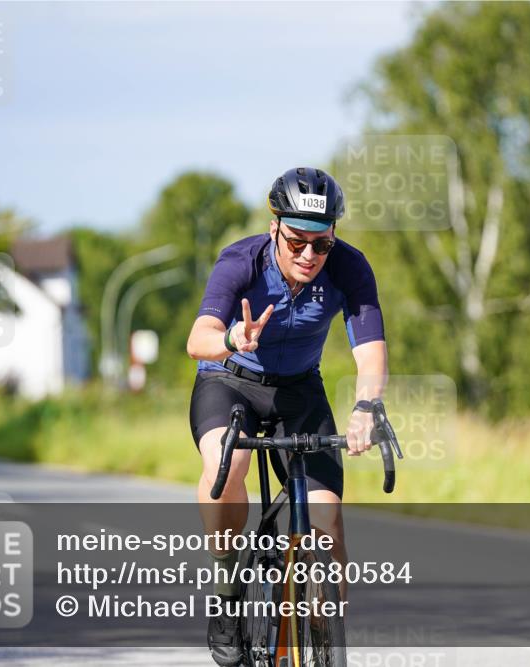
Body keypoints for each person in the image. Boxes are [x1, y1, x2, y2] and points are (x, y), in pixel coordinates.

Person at [186, 167, 387, 666]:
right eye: (297, 241)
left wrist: (365, 407)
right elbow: (198, 339)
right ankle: (229, 588)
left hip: (298, 390)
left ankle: (325, 641)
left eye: (321, 245)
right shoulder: (241, 260)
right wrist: (234, 338)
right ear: (275, 225)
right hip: (228, 379)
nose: (309, 256)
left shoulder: (349, 268)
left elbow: (371, 350)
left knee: (329, 522)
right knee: (223, 470)